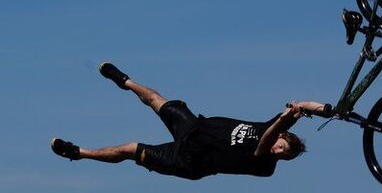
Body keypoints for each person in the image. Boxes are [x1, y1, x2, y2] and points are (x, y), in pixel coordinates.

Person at [50, 62, 334, 180]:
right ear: (286, 140)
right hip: (195, 128)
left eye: (283, 156)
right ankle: (124, 80)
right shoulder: (274, 125)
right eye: (284, 147)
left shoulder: (265, 165)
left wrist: (284, 122)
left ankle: (78, 153)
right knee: (156, 99)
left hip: (187, 160)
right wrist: (330, 110)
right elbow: (305, 105)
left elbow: (267, 139)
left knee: (129, 150)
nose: (279, 152)